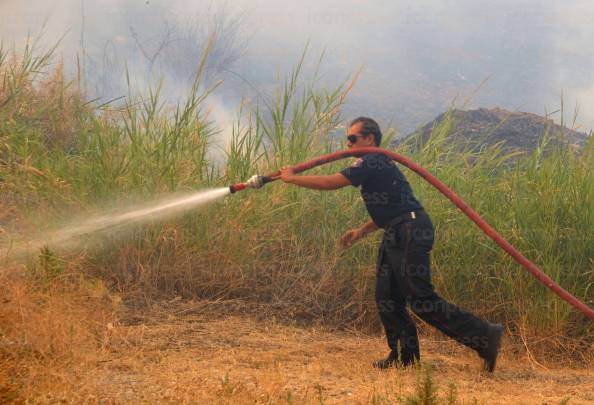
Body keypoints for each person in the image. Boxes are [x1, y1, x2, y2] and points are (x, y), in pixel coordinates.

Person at [279, 116, 503, 372]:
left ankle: (485, 336)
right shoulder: (377, 164)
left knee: (421, 299)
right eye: (347, 139)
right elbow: (394, 206)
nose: (348, 144)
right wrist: (361, 231)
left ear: (370, 139)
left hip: (409, 230)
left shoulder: (372, 159)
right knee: (387, 297)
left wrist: (293, 178)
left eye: (353, 139)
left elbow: (333, 182)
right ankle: (404, 357)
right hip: (399, 229)